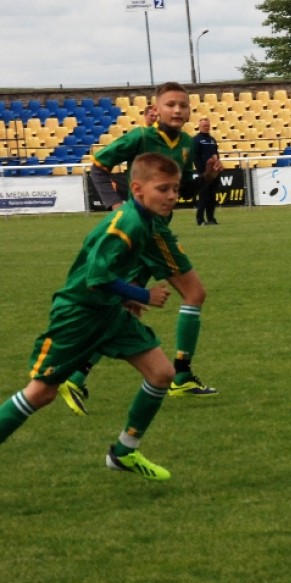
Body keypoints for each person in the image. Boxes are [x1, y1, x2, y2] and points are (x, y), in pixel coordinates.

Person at [0, 153, 185, 480]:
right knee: (41, 392)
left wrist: (126, 296)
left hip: (109, 312)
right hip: (79, 315)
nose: (171, 196)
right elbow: (96, 277)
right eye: (163, 189)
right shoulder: (126, 223)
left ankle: (124, 452)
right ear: (137, 189)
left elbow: (113, 271)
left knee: (161, 374)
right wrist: (143, 295)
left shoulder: (146, 221)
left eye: (175, 188)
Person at [58, 81, 220, 417]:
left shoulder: (186, 144)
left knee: (126, 307)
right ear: (155, 110)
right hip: (150, 231)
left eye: (183, 105)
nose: (178, 110)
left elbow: (182, 190)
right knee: (194, 294)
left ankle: (74, 376)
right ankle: (181, 376)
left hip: (151, 230)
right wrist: (115, 203)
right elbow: (98, 166)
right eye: (171, 104)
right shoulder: (140, 137)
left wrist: (206, 177)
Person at [193, 117, 221, 226]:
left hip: (214, 172)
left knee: (212, 196)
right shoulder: (196, 140)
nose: (206, 127)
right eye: (204, 125)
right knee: (204, 196)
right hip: (204, 173)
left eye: (208, 125)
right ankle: (200, 220)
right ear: (199, 126)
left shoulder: (212, 140)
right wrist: (202, 171)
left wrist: (217, 166)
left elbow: (216, 154)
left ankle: (211, 218)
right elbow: (195, 157)